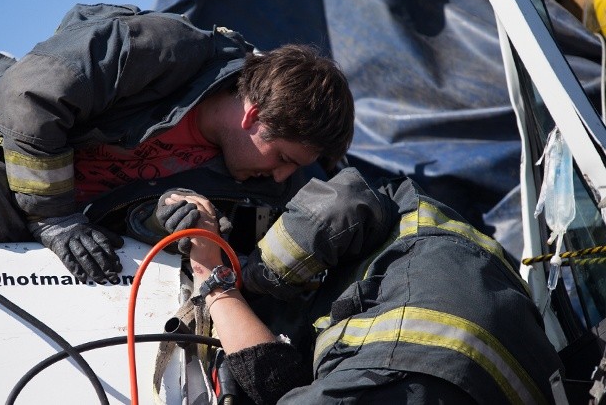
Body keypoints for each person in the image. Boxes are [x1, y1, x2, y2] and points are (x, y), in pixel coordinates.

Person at [0, 3, 354, 283]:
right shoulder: (165, 49)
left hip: (47, 227)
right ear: (254, 115)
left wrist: (163, 220)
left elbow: (118, 205)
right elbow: (29, 95)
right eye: (284, 158)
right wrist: (55, 218)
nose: (285, 176)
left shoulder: (241, 173)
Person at [156, 167, 564, 404]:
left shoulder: (397, 207)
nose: (278, 172)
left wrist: (223, 277)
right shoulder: (425, 228)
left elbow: (275, 378)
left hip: (414, 364)